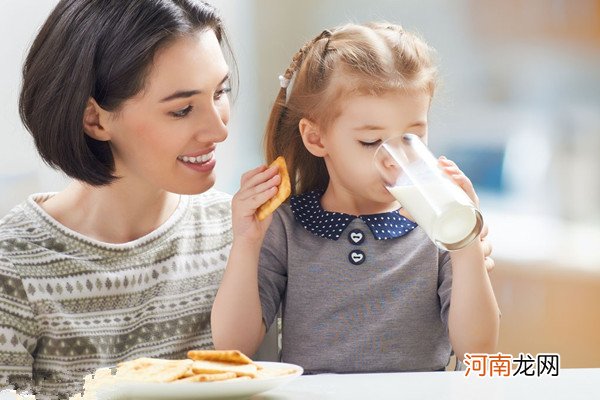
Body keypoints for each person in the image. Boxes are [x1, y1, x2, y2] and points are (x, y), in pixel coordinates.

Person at [212, 22, 500, 374]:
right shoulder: (288, 225)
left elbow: (478, 352)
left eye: (413, 137)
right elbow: (232, 346)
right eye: (371, 142)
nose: (396, 158)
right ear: (316, 138)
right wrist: (246, 243)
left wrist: (464, 243)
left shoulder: (438, 223)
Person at [0, 1, 235, 398]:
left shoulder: (237, 234)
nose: (218, 129)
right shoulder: (15, 265)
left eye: (221, 92)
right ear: (95, 119)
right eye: (182, 110)